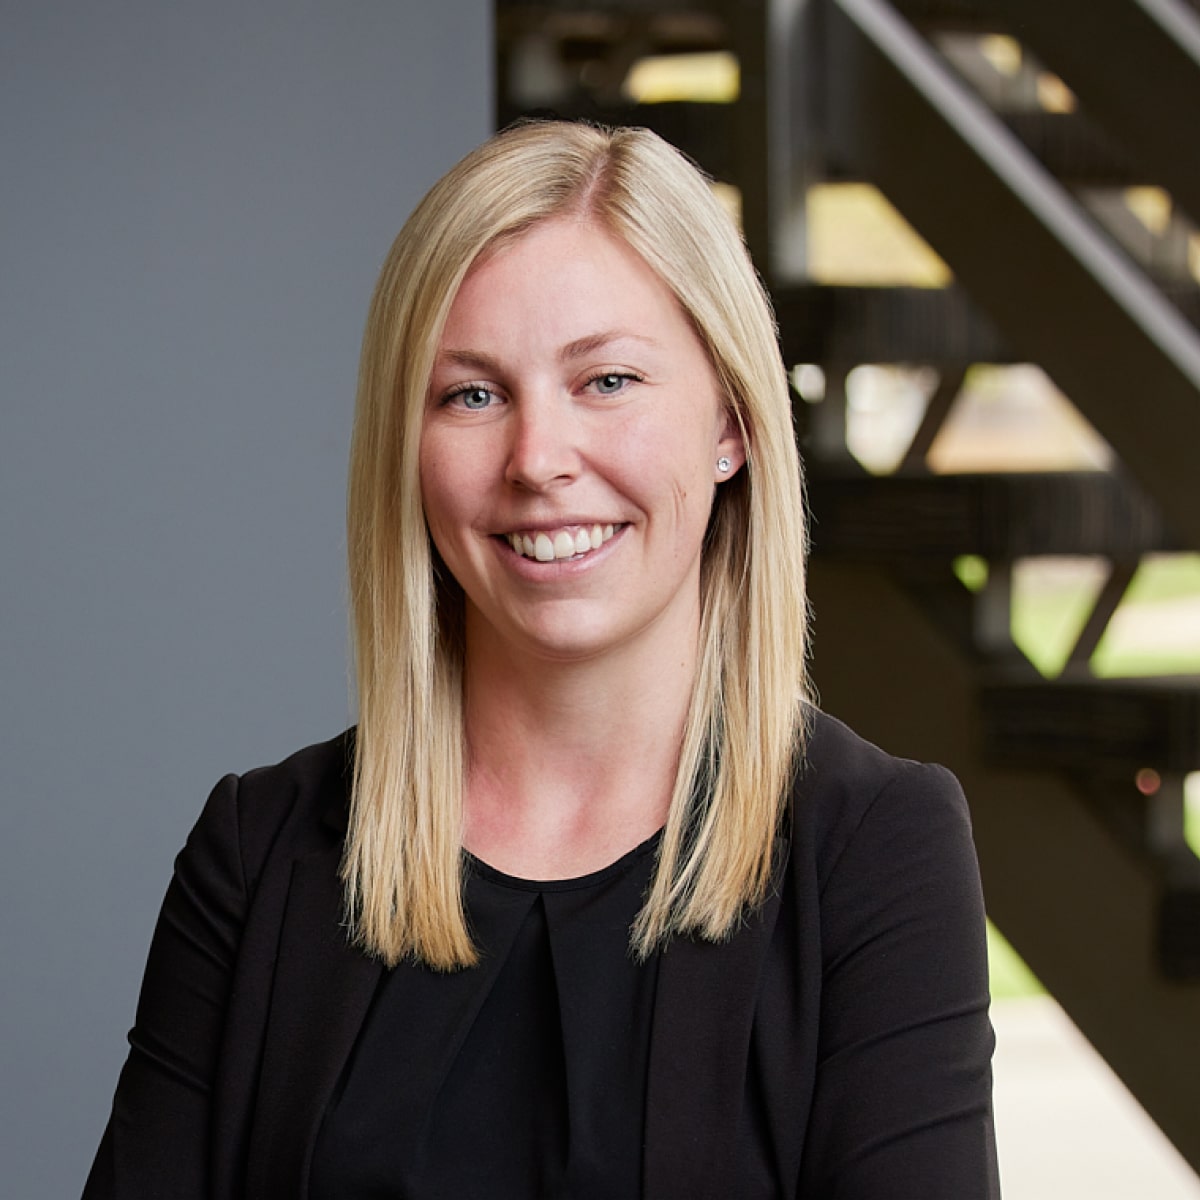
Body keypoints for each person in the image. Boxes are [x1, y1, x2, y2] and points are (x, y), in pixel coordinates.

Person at [84, 121, 999, 1198]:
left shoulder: (872, 857)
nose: (538, 460)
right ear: (407, 451)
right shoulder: (257, 857)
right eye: (472, 394)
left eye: (606, 380)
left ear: (732, 425)